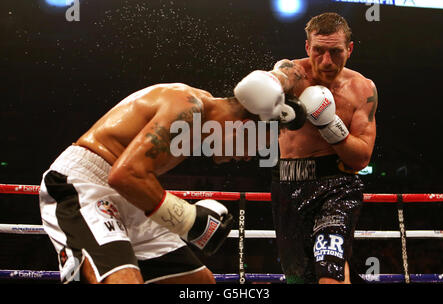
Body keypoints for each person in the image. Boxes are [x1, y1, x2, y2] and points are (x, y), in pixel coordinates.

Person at [38, 81, 303, 284]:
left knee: (198, 283)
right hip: (85, 186)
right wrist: (188, 219)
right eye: (255, 145)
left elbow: (288, 73)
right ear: (243, 125)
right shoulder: (188, 108)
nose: (246, 157)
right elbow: (124, 175)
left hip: (128, 196)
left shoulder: (201, 122)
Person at [233, 12, 378, 284]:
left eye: (335, 52)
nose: (326, 61)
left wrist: (329, 125)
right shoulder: (294, 74)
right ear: (307, 47)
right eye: (319, 51)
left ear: (349, 49)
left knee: (330, 268)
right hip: (288, 183)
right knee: (299, 277)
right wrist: (268, 88)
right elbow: (269, 80)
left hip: (337, 186)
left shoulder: (362, 89)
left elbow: (361, 158)